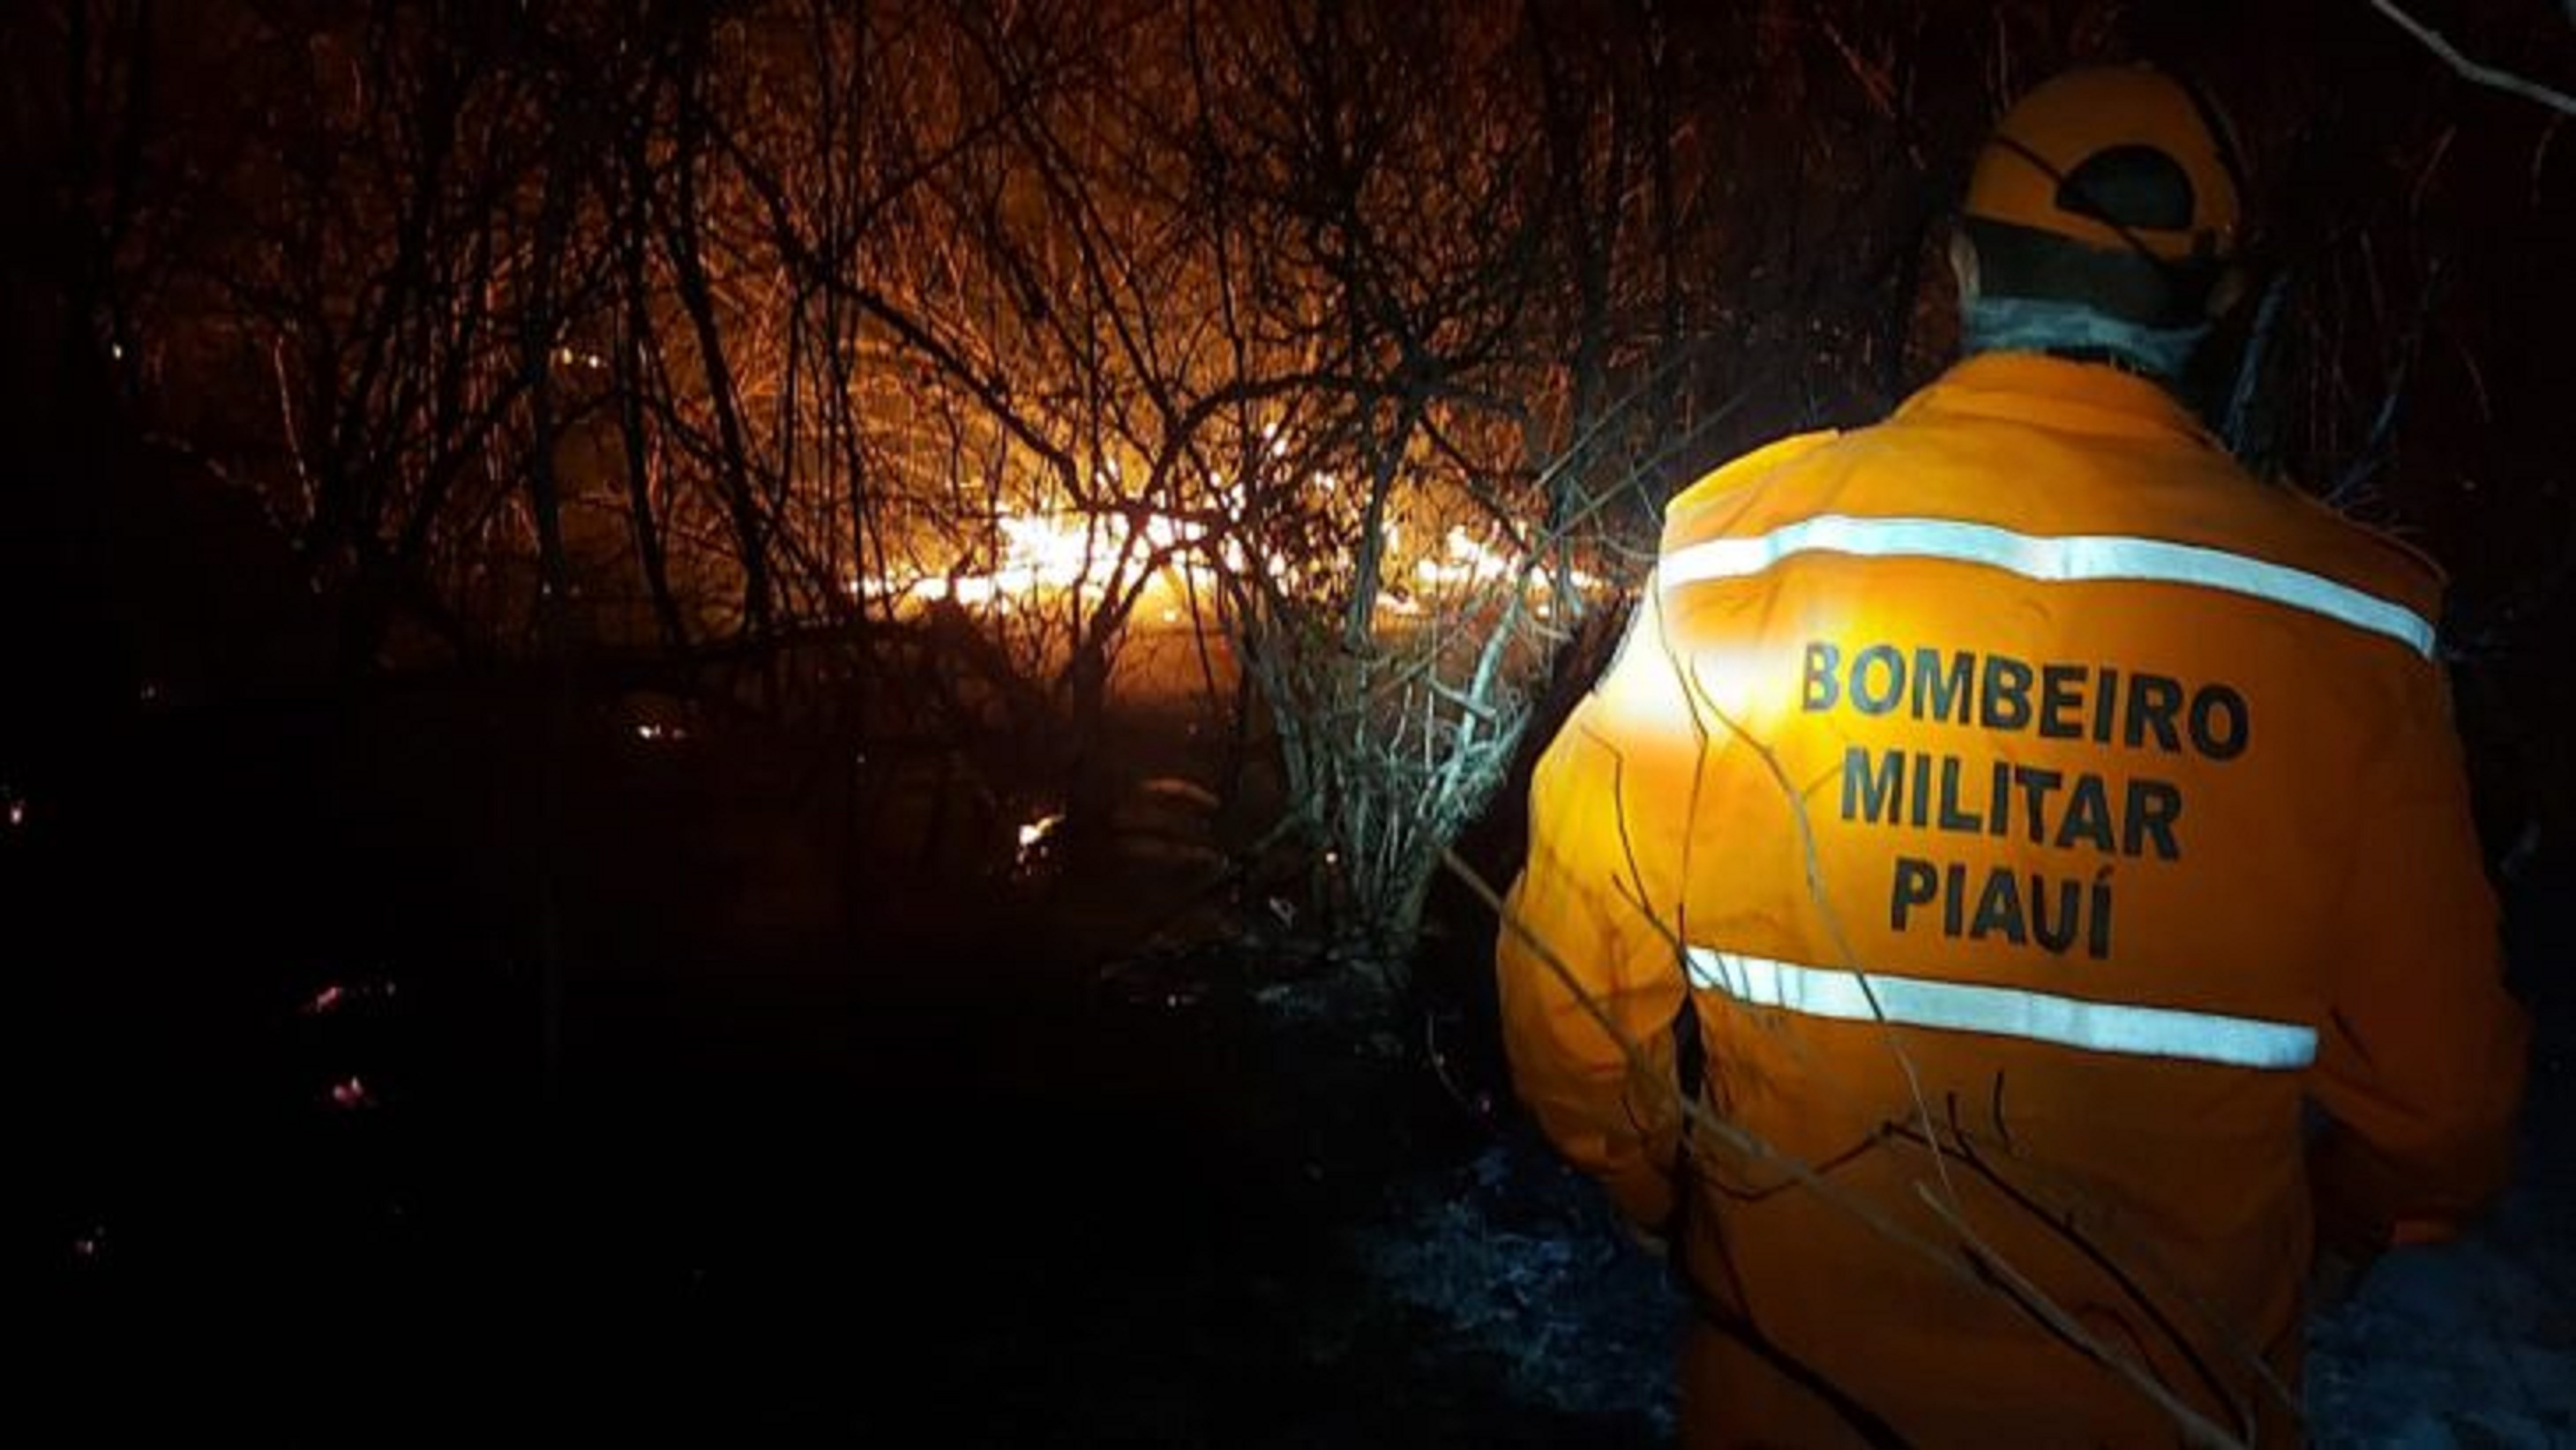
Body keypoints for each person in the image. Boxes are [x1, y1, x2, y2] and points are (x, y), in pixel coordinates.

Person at [1495, 64, 2527, 1446]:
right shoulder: (2349, 628)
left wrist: (1657, 1187)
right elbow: (2444, 1111)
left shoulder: (1743, 554)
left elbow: (1567, 984)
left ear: (1964, 269)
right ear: (2218, 310)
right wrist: (2333, 1238)